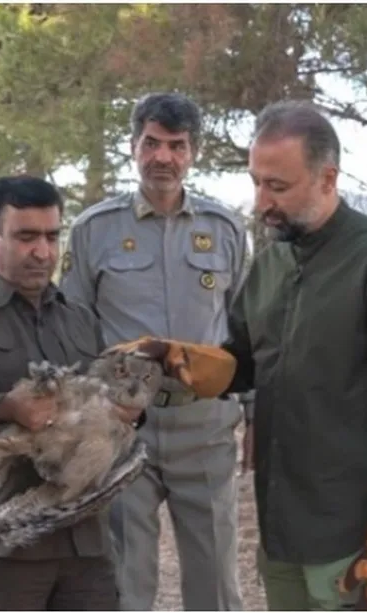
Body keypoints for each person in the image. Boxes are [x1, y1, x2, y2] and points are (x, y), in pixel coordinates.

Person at [107, 100, 367, 611]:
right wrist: (172, 360)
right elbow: (242, 364)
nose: (261, 203)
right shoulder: (272, 263)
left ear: (327, 178)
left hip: (351, 541)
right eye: (256, 182)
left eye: (278, 187)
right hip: (282, 528)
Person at [59, 92, 249, 611]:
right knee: (125, 583)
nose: (163, 157)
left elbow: (244, 332)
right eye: (151, 143)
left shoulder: (225, 229)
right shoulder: (94, 229)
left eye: (177, 145)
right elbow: (72, 330)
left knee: (215, 584)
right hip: (123, 426)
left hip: (204, 425)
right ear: (133, 146)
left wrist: (254, 412)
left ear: (193, 153)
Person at [0, 175, 142, 611]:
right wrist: (4, 408)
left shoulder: (80, 319)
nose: (42, 252)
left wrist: (125, 412)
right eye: (26, 237)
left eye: (51, 236)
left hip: (86, 543)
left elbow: (107, 400)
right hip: (2, 543)